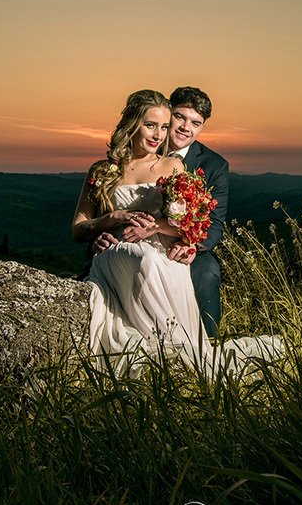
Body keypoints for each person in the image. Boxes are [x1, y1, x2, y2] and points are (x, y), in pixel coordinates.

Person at [72, 90, 206, 360]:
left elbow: (191, 226)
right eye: (150, 125)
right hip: (116, 252)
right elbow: (78, 229)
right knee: (139, 256)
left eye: (164, 127)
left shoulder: (172, 166)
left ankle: (173, 351)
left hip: (161, 254)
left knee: (148, 258)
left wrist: (155, 227)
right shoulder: (101, 170)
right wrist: (111, 219)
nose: (158, 135)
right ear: (133, 123)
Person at [91, 87, 228, 337]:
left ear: (202, 128)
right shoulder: (142, 147)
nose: (186, 127)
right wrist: (101, 233)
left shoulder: (215, 164)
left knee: (207, 272)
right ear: (167, 113)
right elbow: (107, 206)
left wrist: (190, 244)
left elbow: (214, 223)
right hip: (128, 239)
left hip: (185, 241)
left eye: (195, 123)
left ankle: (207, 342)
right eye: (179, 118)